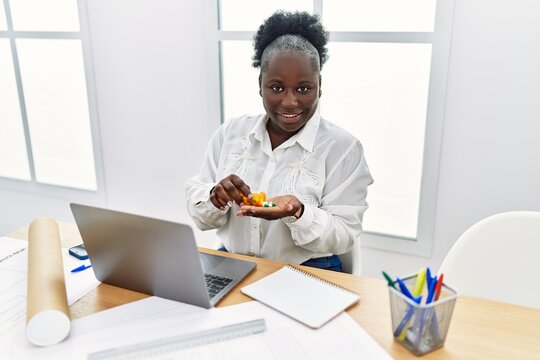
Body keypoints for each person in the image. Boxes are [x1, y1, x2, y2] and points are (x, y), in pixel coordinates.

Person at [185, 10, 373, 272]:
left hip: (309, 269)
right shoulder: (231, 133)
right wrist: (215, 196)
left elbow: (344, 234)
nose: (289, 102)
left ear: (320, 84)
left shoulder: (343, 148)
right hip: (233, 263)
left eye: (303, 88)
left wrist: (297, 211)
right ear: (260, 83)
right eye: (276, 87)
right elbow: (200, 214)